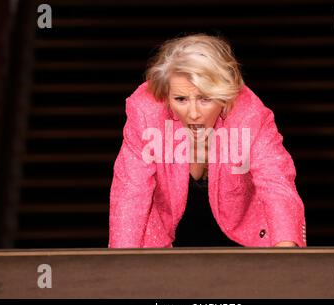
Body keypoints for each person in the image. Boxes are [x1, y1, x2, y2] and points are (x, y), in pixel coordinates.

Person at [109, 34, 306, 248]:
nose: (193, 114)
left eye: (205, 99)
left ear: (224, 96)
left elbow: (276, 183)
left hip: (242, 237)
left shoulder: (250, 114)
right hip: (163, 238)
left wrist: (286, 255)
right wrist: (122, 264)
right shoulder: (146, 111)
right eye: (181, 99)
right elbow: (131, 190)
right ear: (166, 95)